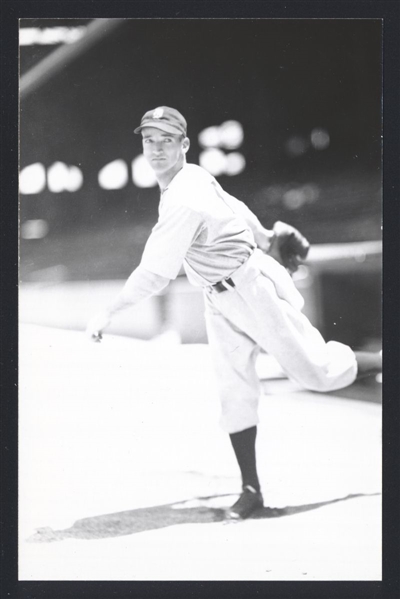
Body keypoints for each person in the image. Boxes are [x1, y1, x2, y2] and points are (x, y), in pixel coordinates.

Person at [86, 106, 382, 520]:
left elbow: (153, 274)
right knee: (234, 390)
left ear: (184, 145)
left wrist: (108, 311)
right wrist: (264, 234)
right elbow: (232, 202)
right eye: (149, 139)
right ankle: (251, 490)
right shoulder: (190, 178)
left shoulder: (183, 198)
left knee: (316, 373)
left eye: (166, 140)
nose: (155, 148)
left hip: (252, 289)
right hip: (219, 297)